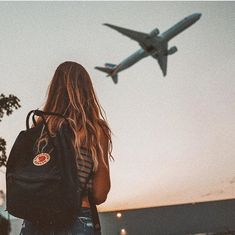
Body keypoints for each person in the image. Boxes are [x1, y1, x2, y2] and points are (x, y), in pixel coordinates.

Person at [20, 61, 112, 235]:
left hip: (35, 220)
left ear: (54, 90)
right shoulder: (95, 130)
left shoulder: (38, 128)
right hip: (77, 219)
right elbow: (100, 194)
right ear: (87, 91)